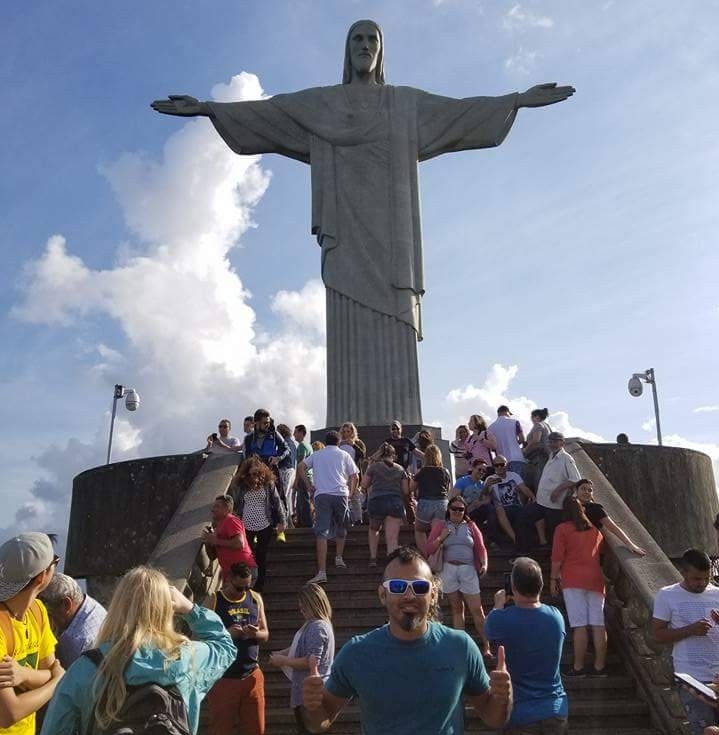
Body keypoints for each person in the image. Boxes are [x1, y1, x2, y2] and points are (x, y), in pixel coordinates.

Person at [152, 20, 574, 428]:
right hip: (346, 231)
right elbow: (271, 114)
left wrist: (516, 100)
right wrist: (209, 109)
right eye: (357, 38)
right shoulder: (322, 105)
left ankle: (401, 417)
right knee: (346, 305)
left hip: (393, 235)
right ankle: (348, 418)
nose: (364, 46)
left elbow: (459, 113)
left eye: (372, 39)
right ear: (347, 48)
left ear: (381, 50)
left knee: (395, 308)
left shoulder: (404, 103)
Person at [301, 546, 513, 734]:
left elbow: (494, 718)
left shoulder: (460, 646)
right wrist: (312, 706)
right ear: (383, 595)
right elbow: (318, 723)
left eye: (419, 587)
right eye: (398, 587)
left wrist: (504, 698)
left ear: (433, 595)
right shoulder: (357, 653)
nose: (409, 596)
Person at [40, 566, 235, 735]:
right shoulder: (187, 658)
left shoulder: (84, 669)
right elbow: (225, 646)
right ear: (166, 609)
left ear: (118, 606)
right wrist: (190, 609)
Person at [485, 557, 568, 734]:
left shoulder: (500, 619)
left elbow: (490, 631)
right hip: (554, 708)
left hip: (520, 713)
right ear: (540, 585)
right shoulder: (556, 617)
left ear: (513, 587)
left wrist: (498, 604)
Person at [0, 532, 63, 734]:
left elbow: (49, 669)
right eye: (55, 561)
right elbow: (9, 712)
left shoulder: (37, 611)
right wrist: (57, 682)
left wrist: (23, 674)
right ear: (41, 577)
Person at [652, 549, 719, 735]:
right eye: (697, 579)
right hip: (692, 679)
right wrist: (690, 630)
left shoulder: (717, 594)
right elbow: (657, 635)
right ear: (683, 572)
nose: (703, 583)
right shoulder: (667, 595)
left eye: (706, 578)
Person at [205, 562, 269, 735]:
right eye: (240, 588)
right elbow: (199, 638)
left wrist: (254, 634)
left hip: (251, 674)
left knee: (256, 729)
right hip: (224, 678)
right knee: (220, 729)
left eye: (248, 586)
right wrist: (228, 635)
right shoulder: (214, 600)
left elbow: (265, 634)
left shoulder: (255, 598)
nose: (244, 591)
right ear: (228, 579)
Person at [426, 496, 493, 659]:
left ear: (465, 511)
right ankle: (460, 645)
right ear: (448, 510)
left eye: (460, 509)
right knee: (457, 608)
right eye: (454, 509)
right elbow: (428, 548)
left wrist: (484, 564)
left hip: (468, 569)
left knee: (477, 610)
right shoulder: (442, 525)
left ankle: (487, 646)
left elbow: (480, 547)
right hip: (448, 568)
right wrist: (441, 538)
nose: (457, 512)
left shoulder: (470, 525)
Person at [550, 496, 607, 677]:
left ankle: (578, 667)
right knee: (598, 624)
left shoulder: (563, 529)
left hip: (573, 579)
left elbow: (557, 557)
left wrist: (553, 579)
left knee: (579, 625)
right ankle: (600, 667)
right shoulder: (595, 531)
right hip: (596, 579)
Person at [269, 583, 335, 735]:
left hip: (311, 696)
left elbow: (311, 661)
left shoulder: (317, 627)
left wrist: (283, 661)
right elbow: (298, 647)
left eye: (303, 606)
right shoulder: (315, 624)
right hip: (307, 694)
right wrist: (281, 653)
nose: (301, 610)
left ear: (311, 604)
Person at [298, 431, 359, 584]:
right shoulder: (344, 455)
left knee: (321, 532)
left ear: (325, 442)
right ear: (339, 442)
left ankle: (322, 571)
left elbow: (300, 467)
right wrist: (350, 493)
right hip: (340, 493)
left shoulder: (317, 454)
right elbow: (355, 475)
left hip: (322, 494)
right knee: (341, 525)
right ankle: (338, 557)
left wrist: (309, 486)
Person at [230, 457, 287, 593]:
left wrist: (282, 521)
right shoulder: (242, 485)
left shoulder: (268, 483)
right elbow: (236, 504)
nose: (255, 475)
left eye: (257, 472)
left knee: (261, 556)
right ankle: (245, 584)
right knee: (246, 556)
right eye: (252, 472)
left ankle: (259, 586)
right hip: (246, 525)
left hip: (264, 524)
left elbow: (277, 501)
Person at [518, 431, 581, 552]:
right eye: (550, 441)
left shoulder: (566, 458)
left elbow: (575, 479)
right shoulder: (551, 455)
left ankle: (554, 559)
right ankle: (524, 551)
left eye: (555, 441)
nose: (552, 444)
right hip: (542, 501)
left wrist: (558, 490)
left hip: (555, 505)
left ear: (562, 443)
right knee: (523, 518)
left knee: (554, 534)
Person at [38, 573, 107, 669]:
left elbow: (64, 680)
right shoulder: (89, 604)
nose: (47, 620)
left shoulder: (74, 641)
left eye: (48, 614)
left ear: (66, 604)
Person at [361, 443, 409, 567]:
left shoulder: (374, 467)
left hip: (377, 500)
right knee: (392, 537)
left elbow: (364, 485)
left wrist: (370, 464)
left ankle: (373, 558)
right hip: (395, 502)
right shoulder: (400, 469)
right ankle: (392, 562)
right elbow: (405, 491)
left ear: (380, 454)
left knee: (374, 530)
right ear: (394, 455)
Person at [574, 479, 646, 556]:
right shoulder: (570, 507)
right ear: (576, 491)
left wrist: (630, 544)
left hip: (588, 551)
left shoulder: (595, 509)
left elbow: (612, 526)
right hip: (572, 548)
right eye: (583, 489)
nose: (587, 492)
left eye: (590, 490)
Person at [484, 455, 536, 548]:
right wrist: (486, 487)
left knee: (534, 509)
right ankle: (515, 540)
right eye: (496, 465)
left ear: (506, 465)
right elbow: (484, 497)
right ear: (493, 466)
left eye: (502, 464)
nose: (499, 467)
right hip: (501, 509)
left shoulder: (513, 475)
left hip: (516, 506)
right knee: (499, 508)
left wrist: (534, 498)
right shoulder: (490, 479)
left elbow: (524, 488)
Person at [202, 494, 257, 581]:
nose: (213, 510)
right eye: (214, 507)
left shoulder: (231, 520)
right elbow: (212, 556)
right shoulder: (219, 527)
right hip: (231, 575)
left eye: (217, 507)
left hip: (243, 572)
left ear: (227, 509)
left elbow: (239, 543)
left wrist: (216, 540)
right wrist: (208, 542)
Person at [410, 444, 452, 553]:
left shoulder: (422, 471)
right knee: (436, 532)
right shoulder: (445, 471)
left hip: (425, 502)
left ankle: (426, 555)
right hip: (442, 503)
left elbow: (411, 488)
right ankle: (436, 556)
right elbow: (448, 490)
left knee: (419, 530)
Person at [338, 422, 367, 525]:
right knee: (342, 496)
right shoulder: (339, 443)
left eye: (348, 431)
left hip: (353, 474)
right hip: (341, 474)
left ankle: (358, 519)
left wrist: (353, 445)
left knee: (355, 497)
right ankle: (345, 519)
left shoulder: (358, 442)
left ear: (352, 432)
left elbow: (363, 455)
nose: (346, 434)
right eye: (344, 431)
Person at [451, 458, 492, 529]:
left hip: (479, 512)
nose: (482, 472)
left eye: (484, 471)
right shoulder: (462, 481)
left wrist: (481, 503)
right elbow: (454, 498)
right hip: (466, 512)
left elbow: (488, 499)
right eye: (479, 469)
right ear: (473, 468)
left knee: (490, 509)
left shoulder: (483, 484)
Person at [488, 406, 526, 477]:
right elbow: (522, 439)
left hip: (500, 463)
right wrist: (514, 444)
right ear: (507, 412)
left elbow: (492, 448)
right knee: (518, 484)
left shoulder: (490, 428)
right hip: (516, 458)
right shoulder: (515, 422)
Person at [523, 408, 551, 491]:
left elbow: (536, 440)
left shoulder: (538, 425)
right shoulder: (546, 425)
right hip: (546, 455)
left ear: (535, 417)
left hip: (540, 456)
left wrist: (525, 450)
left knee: (538, 481)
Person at [293, 425, 314, 528]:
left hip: (303, 477)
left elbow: (300, 464)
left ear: (301, 432)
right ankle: (301, 522)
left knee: (303, 501)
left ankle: (307, 524)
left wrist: (296, 480)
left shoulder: (301, 446)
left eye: (296, 432)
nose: (294, 434)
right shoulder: (308, 445)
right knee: (302, 500)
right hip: (309, 476)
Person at [277, 423, 299, 520]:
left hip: (285, 470)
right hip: (292, 470)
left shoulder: (283, 442)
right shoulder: (293, 443)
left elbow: (280, 456)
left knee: (283, 495)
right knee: (289, 495)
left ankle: (284, 518)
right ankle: (289, 517)